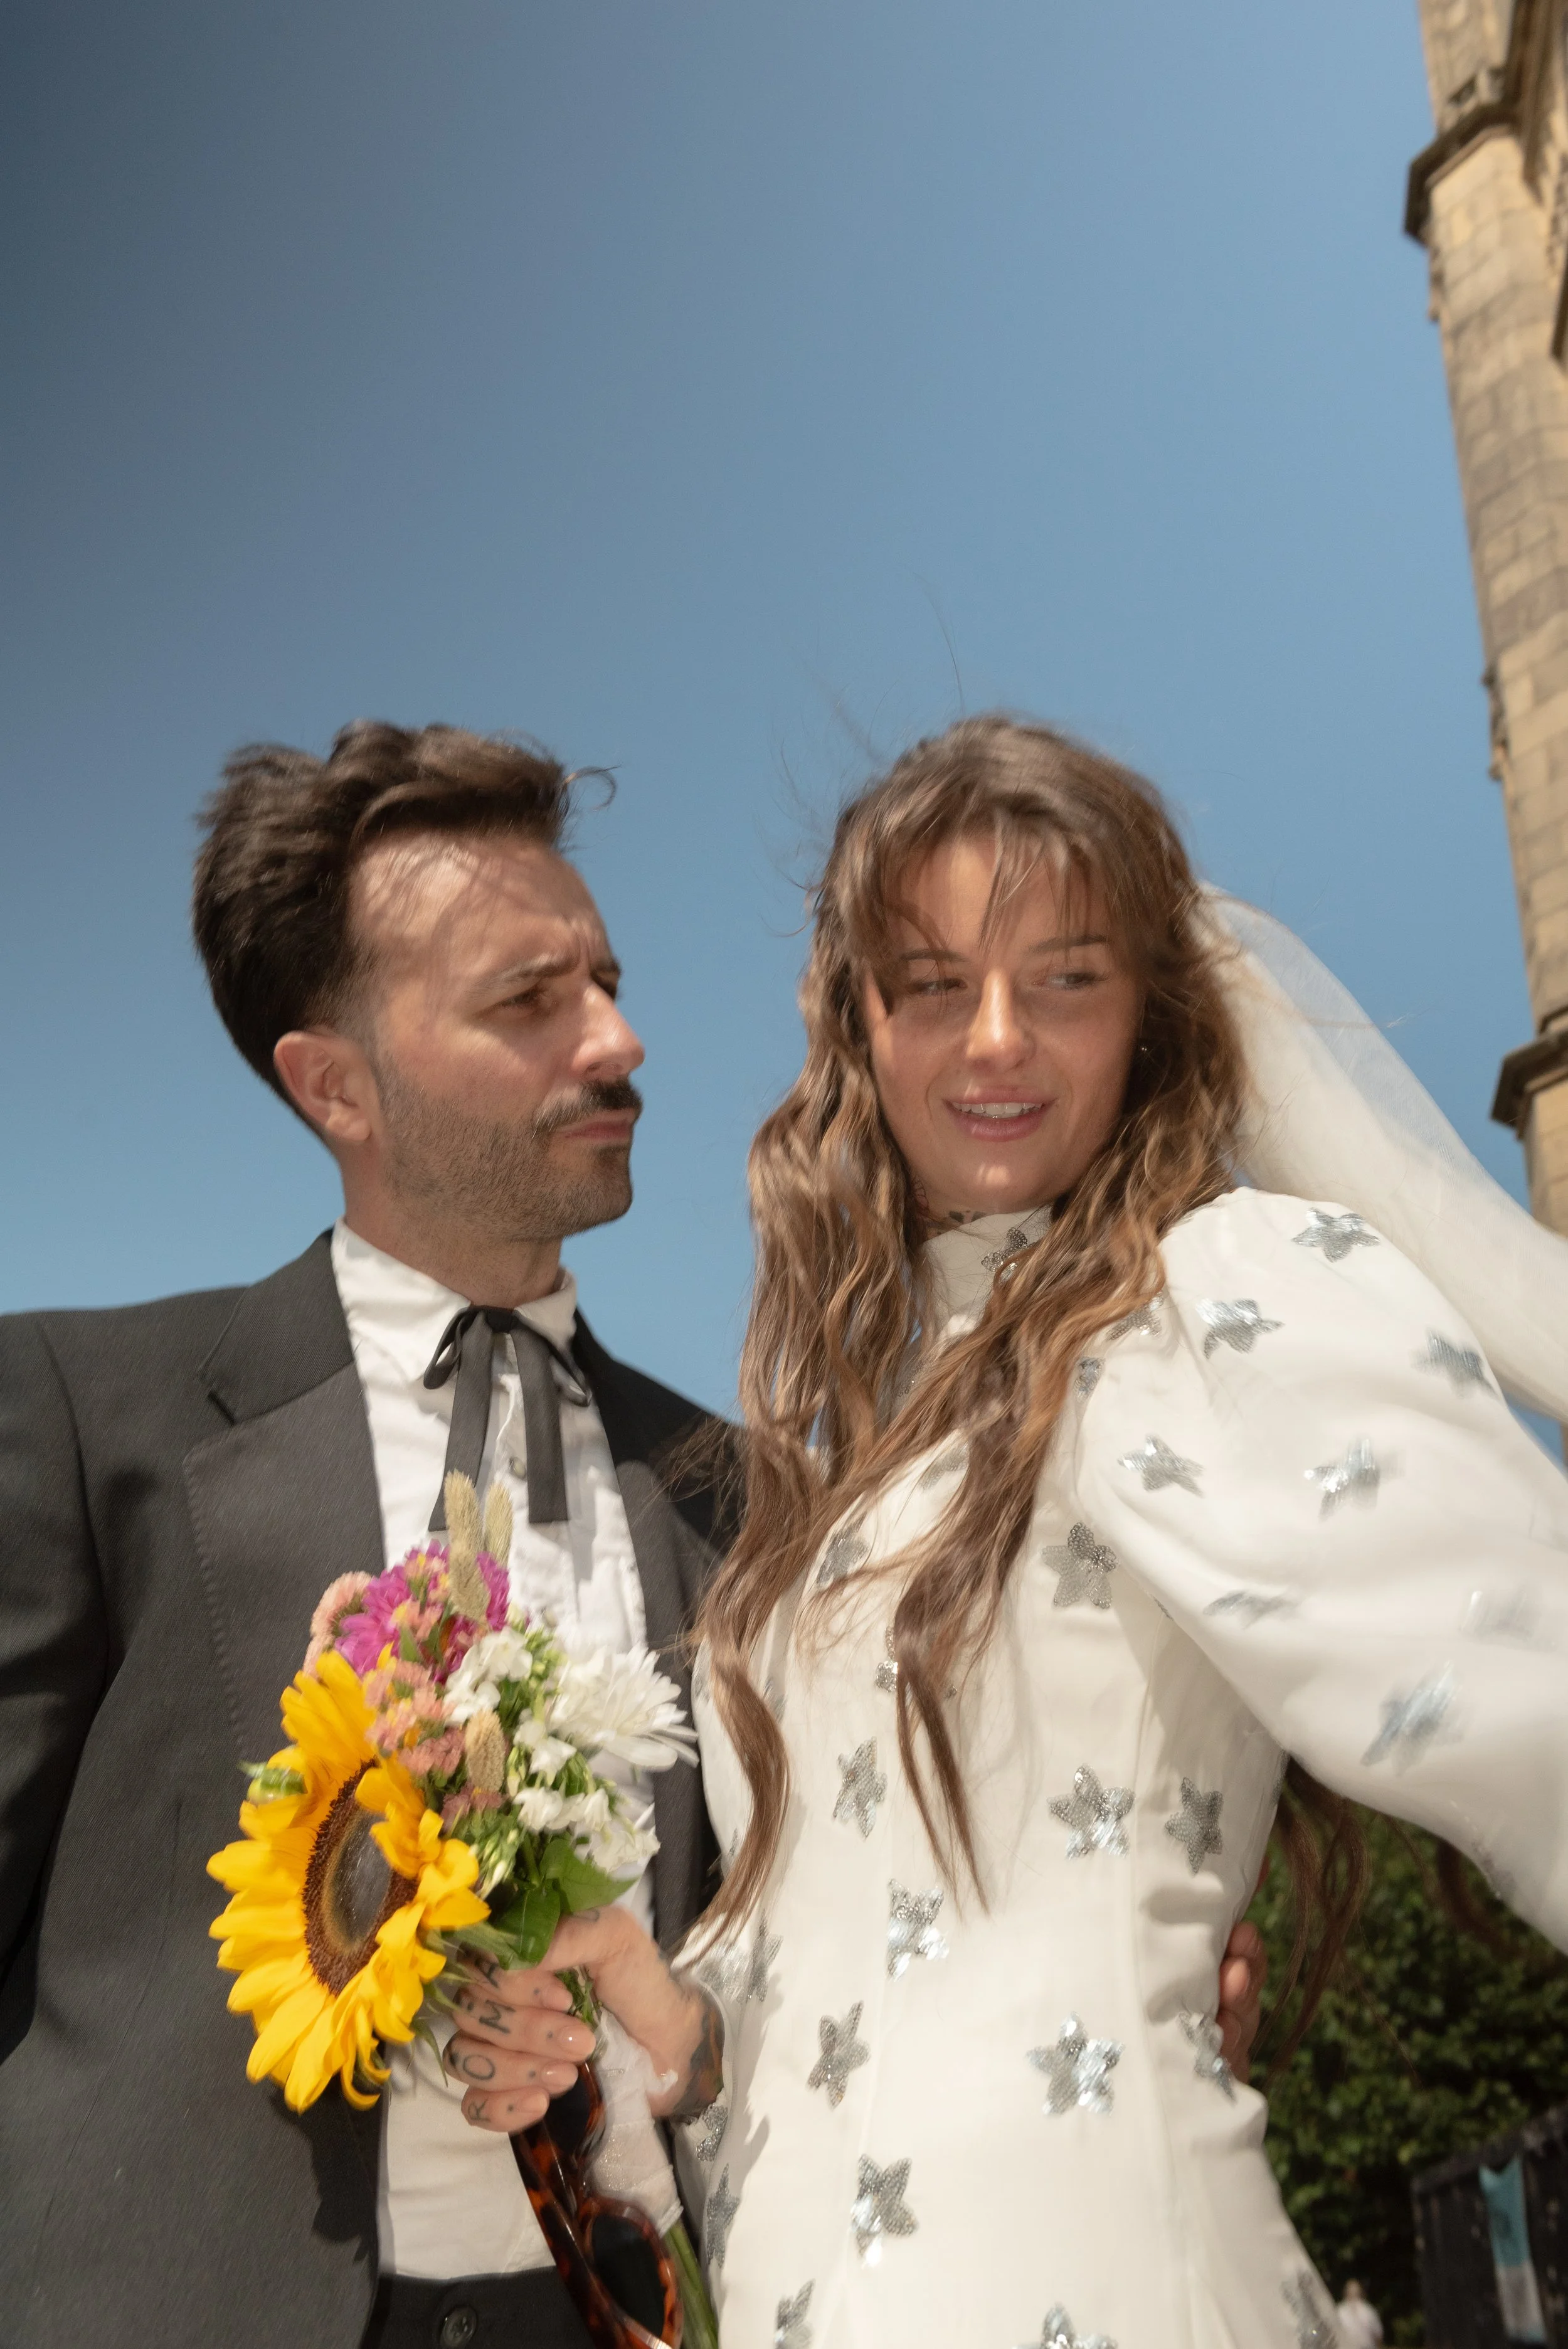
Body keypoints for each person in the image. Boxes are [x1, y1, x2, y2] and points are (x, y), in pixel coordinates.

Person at [0, 717, 1262, 2349]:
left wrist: (1103, 1960)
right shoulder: (86, 1414)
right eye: (530, 1003)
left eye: (599, 977)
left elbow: (826, 1967)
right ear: (335, 1086)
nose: (619, 1039)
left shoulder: (761, 1504)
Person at [450, 715, 1568, 2348]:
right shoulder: (842, 1497)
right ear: (862, 1029)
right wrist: (638, 2007)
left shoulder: (1224, 1295)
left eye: (1063, 977)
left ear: (1148, 1020)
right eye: (928, 984)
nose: (992, 1041)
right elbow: (788, 2016)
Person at [1335, 2281, 1384, 2348]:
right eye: (1350, 2290)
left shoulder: (1369, 2310)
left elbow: (1378, 2334)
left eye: (1355, 2290)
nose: (1353, 2293)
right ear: (1345, 2292)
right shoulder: (1339, 2311)